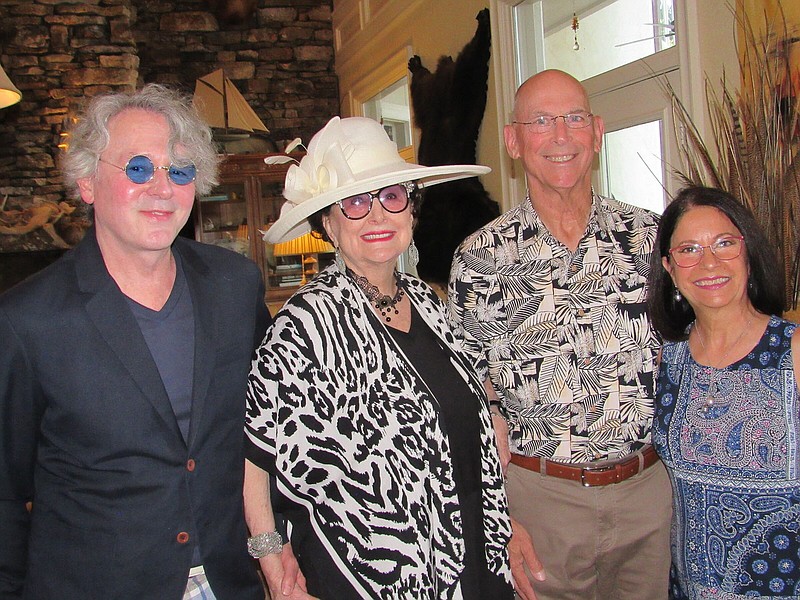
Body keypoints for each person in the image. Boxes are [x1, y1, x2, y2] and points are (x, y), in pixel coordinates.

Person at [0, 84, 271, 599]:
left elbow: (266, 433)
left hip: (232, 580)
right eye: (139, 168)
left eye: (181, 170)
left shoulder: (236, 286)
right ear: (86, 180)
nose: (163, 188)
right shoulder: (25, 321)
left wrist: (274, 547)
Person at [243, 115, 515, 599]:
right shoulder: (305, 324)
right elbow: (256, 452)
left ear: (412, 209)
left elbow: (468, 377)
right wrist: (271, 557)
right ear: (326, 221)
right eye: (355, 202)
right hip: (370, 570)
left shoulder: (428, 302)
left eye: (391, 196)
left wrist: (492, 410)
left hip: (470, 541)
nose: (377, 216)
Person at [447, 69, 672, 600]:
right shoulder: (480, 260)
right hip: (541, 501)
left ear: (596, 131)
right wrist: (499, 518)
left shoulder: (652, 239)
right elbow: (468, 402)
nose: (561, 136)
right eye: (541, 122)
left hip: (648, 497)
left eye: (573, 119)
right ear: (514, 140)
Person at [648, 186, 799, 598]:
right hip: (690, 586)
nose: (709, 262)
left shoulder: (794, 352)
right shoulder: (670, 360)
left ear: (748, 253)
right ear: (670, 268)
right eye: (689, 250)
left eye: (724, 244)